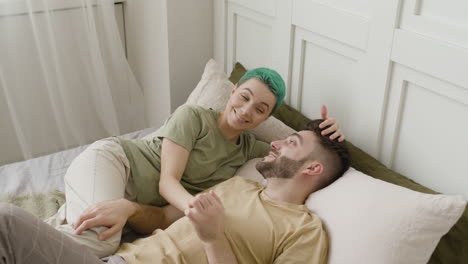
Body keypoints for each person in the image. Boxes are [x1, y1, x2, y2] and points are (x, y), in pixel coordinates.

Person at [46, 68, 346, 257]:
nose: (245, 111)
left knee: (85, 233)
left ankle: (48, 226)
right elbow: (167, 185)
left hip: (129, 208)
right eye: (243, 98)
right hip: (117, 165)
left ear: (266, 119)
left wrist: (326, 135)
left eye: (260, 109)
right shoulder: (193, 119)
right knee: (101, 242)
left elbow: (294, 152)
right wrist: (196, 212)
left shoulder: (250, 152)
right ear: (232, 93)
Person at [0, 119, 350, 263]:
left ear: (313, 168)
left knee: (7, 223)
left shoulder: (304, 230)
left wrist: (214, 239)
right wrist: (131, 209)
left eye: (289, 143)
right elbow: (168, 217)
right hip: (115, 259)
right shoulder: (239, 185)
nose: (274, 143)